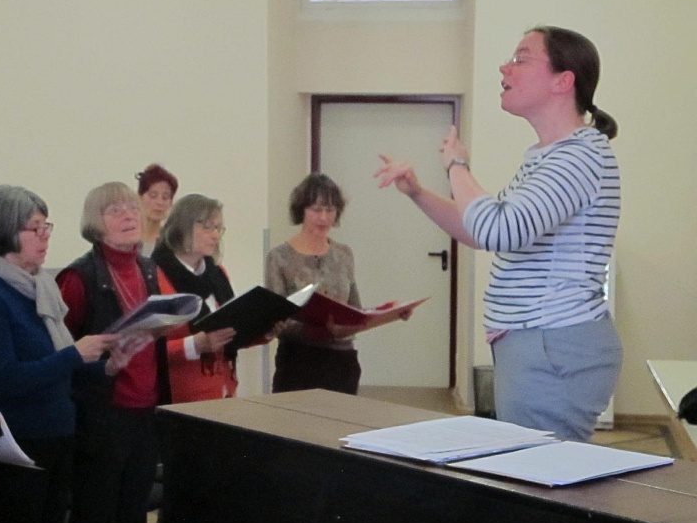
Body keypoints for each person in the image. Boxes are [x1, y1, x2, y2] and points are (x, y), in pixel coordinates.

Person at [375, 26, 622, 442]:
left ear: (563, 81)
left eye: (521, 59)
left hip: (552, 341)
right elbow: (481, 229)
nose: (504, 68)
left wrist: (457, 166)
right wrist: (418, 192)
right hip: (542, 341)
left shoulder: (578, 156)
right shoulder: (552, 156)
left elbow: (498, 229)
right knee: (537, 467)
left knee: (540, 472)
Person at [0, 185, 135, 523]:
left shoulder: (42, 286)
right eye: (35, 228)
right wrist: (74, 354)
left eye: (47, 226)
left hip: (58, 431)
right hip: (18, 438)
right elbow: (7, 378)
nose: (45, 236)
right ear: (6, 232)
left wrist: (107, 367)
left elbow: (59, 368)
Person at [56, 182, 173, 523]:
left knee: (134, 512)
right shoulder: (79, 277)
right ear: (96, 222)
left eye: (132, 208)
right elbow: (62, 350)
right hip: (102, 415)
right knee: (97, 513)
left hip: (146, 410)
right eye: (115, 210)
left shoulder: (148, 268)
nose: (128, 216)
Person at [265, 173, 365, 395]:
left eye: (330, 210)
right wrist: (319, 329)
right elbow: (275, 320)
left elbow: (356, 309)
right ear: (301, 210)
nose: (323, 218)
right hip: (298, 362)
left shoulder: (344, 254)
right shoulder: (279, 257)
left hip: (342, 362)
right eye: (316, 210)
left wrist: (387, 315)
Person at [151, 194, 238, 403]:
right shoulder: (156, 277)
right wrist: (194, 345)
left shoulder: (218, 274)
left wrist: (263, 329)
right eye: (208, 227)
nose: (215, 235)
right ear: (183, 227)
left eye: (218, 228)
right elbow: (146, 350)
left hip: (224, 392)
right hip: (181, 397)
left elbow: (231, 330)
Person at [136, 163, 179, 256]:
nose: (160, 202)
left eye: (165, 197)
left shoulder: (173, 243)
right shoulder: (125, 237)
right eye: (153, 196)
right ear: (139, 197)